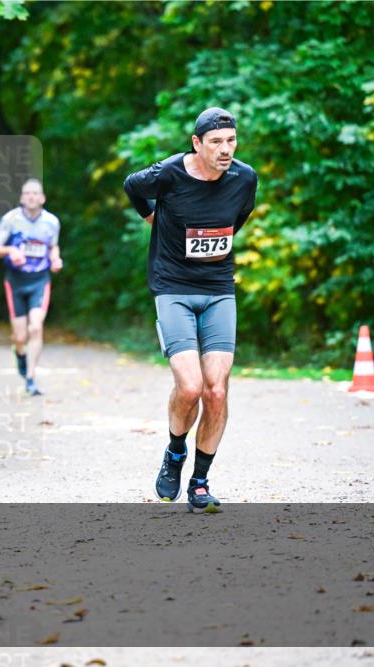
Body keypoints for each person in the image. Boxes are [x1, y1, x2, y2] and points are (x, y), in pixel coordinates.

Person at [123, 107, 258, 512]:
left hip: (218, 289)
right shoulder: (168, 174)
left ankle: (200, 481)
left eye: (231, 141)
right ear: (197, 144)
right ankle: (175, 452)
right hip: (173, 288)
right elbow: (132, 185)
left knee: (217, 390)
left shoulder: (245, 178)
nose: (225, 149)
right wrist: (152, 217)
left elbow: (238, 220)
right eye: (216, 142)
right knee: (191, 387)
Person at [0, 178, 63, 396]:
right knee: (20, 336)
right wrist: (10, 251)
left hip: (40, 280)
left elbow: (53, 247)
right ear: (22, 198)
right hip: (15, 280)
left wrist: (56, 259)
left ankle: (30, 378)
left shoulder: (51, 222)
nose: (31, 196)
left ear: (42, 198)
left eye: (35, 193)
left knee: (36, 327)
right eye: (27, 193)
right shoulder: (10, 219)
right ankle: (20, 353)